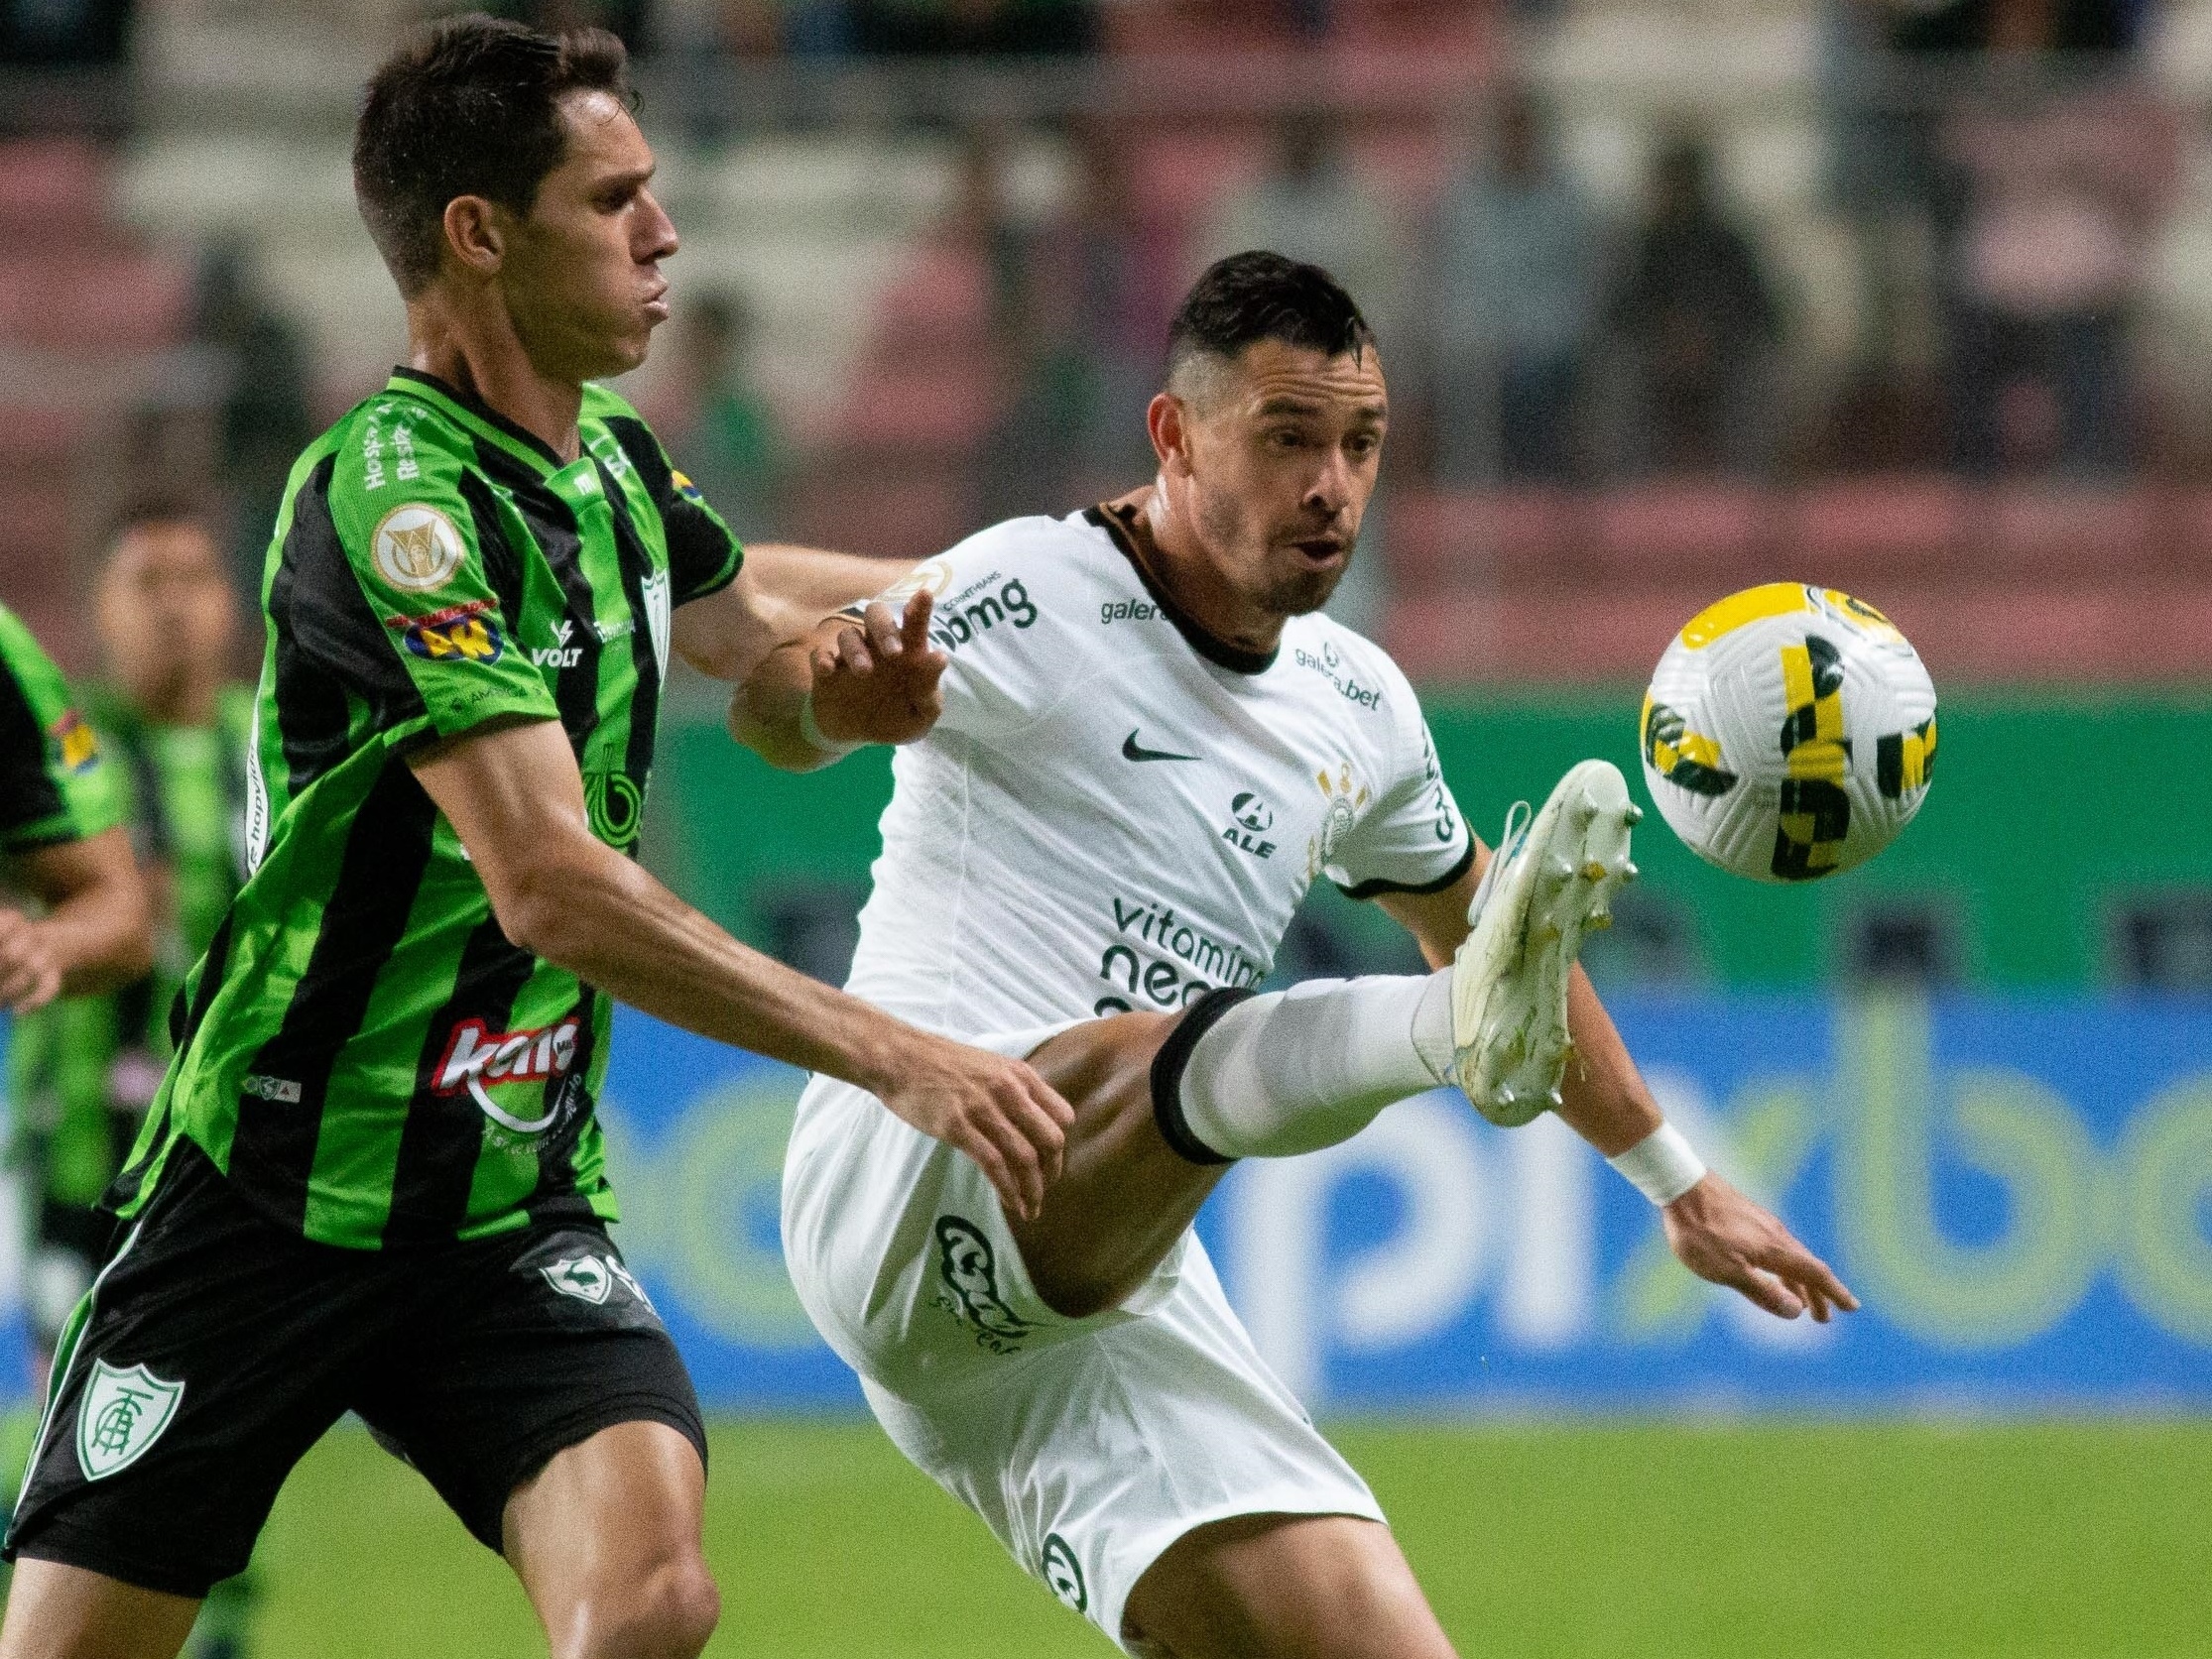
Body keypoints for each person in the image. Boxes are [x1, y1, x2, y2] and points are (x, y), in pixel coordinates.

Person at [0, 17, 1072, 1659]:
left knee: (651, 1594)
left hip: (505, 1203)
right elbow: (551, 884)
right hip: (272, 1186)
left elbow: (761, 664)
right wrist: (888, 1051)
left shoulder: (622, 472)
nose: (666, 234)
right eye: (615, 198)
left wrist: (855, 696)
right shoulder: (393, 499)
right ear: (481, 235)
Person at [738, 252, 1856, 1658]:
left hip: (1106, 1290)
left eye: (1361, 443)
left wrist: (1676, 1183)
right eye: (1287, 440)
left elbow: (1491, 935)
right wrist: (836, 708)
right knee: (1225, 1038)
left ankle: (1442, 1025)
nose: (1331, 483)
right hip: (915, 1159)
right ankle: (1431, 1036)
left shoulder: (1357, 702)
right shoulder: (1030, 586)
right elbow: (775, 705)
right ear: (1174, 436)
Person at [2, 508, 257, 1656]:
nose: (171, 603)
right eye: (143, 579)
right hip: (77, 1153)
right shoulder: (68, 744)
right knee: (100, 1439)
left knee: (210, 1449)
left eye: (194, 576)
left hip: (240, 1166)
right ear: (98, 612)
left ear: (232, 604)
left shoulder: (281, 745)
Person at [1596, 133, 1784, 478]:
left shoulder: (1727, 243)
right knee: (1621, 373)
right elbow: (1622, 312)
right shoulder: (1646, 245)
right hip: (1659, 356)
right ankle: (1629, 487)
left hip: (1724, 355)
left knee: (1758, 374)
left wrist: (1708, 336)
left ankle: (1747, 486)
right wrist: (1667, 336)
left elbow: (1762, 310)